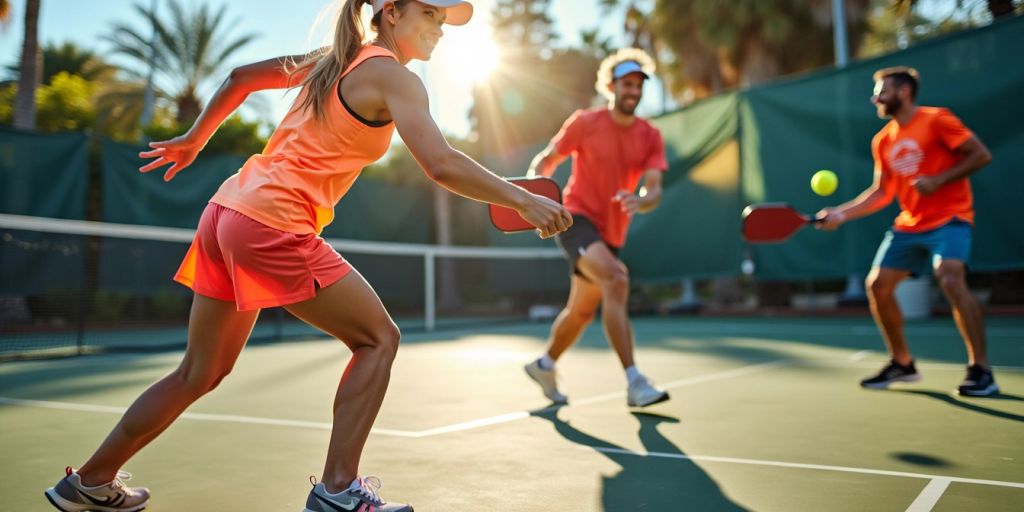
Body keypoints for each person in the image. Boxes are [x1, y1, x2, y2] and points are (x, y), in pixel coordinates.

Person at [44, 1, 572, 511]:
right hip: (271, 224)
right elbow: (439, 162)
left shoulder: (337, 57)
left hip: (226, 212)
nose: (440, 27)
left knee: (199, 372)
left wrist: (193, 139)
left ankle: (89, 482)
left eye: (443, 18)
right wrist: (523, 198)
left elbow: (239, 77)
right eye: (430, 14)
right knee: (378, 339)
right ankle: (338, 492)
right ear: (392, 11)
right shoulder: (395, 77)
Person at [817, 66, 997, 397]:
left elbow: (981, 155)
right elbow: (882, 192)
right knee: (877, 286)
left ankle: (981, 369)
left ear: (903, 92)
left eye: (881, 91)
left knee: (950, 276)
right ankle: (902, 362)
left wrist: (939, 180)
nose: (875, 98)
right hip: (909, 224)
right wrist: (840, 213)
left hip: (951, 217)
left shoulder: (937, 119)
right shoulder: (882, 140)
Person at [522, 48, 670, 408]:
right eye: (626, 83)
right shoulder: (585, 122)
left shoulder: (650, 135)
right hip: (576, 219)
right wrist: (530, 195)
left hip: (612, 233)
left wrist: (642, 199)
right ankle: (635, 382)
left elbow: (654, 189)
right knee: (617, 279)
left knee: (582, 311)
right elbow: (546, 161)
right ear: (611, 86)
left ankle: (544, 365)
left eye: (638, 85)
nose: (633, 90)